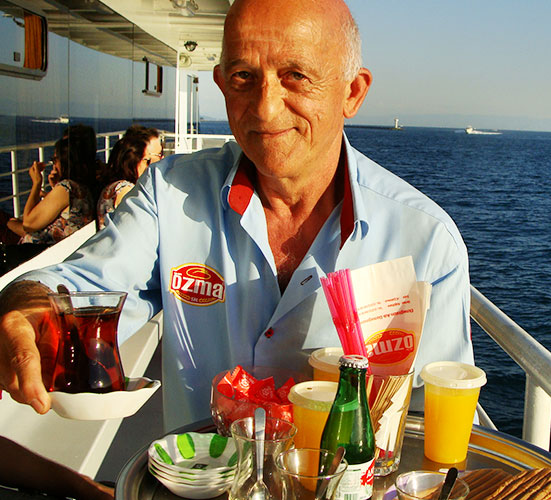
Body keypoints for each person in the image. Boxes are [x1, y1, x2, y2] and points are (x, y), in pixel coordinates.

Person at [0, 0, 472, 431]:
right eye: (245, 76)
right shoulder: (169, 195)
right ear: (222, 83)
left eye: (296, 76)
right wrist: (26, 309)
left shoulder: (425, 242)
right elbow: (80, 284)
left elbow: (434, 423)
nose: (265, 109)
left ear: (352, 92)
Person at [5, 129, 97, 245]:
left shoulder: (67, 187)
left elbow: (28, 224)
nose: (53, 163)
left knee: (5, 222)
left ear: (64, 161)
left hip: (40, 251)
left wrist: (37, 183)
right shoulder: (84, 184)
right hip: (65, 247)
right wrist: (54, 188)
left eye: (54, 160)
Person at [96, 130, 162, 228]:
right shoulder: (124, 189)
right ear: (132, 162)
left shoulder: (115, 187)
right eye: (146, 160)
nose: (148, 166)